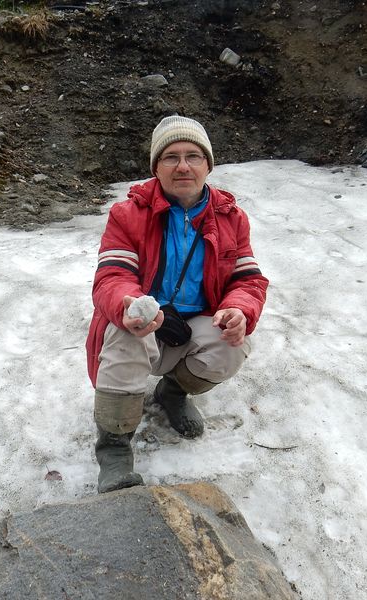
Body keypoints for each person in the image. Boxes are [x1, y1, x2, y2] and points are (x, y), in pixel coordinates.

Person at [85, 115, 269, 493]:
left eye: (193, 156)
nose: (183, 166)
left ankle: (172, 392)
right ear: (157, 167)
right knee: (125, 332)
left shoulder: (231, 218)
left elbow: (247, 280)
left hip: (191, 326)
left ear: (207, 165)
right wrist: (129, 305)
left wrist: (238, 309)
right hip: (147, 323)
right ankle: (114, 447)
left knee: (230, 345)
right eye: (171, 157)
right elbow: (112, 277)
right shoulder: (128, 215)